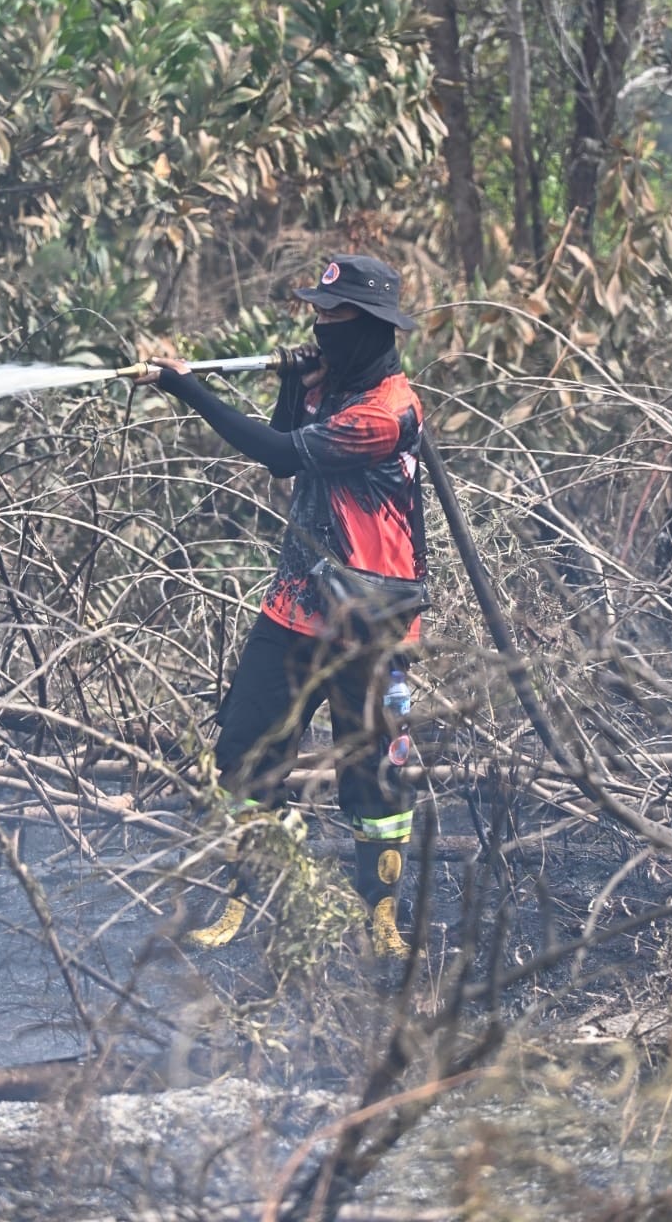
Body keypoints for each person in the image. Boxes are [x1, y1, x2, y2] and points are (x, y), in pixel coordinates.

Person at [137, 254, 428, 957]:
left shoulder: (384, 411)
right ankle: (242, 901)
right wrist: (297, 386)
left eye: (334, 318)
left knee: (376, 776)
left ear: (371, 327)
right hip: (296, 609)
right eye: (317, 315)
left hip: (375, 626)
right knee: (243, 755)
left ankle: (380, 916)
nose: (320, 328)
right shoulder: (334, 387)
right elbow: (280, 455)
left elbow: (284, 453)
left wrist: (189, 389)